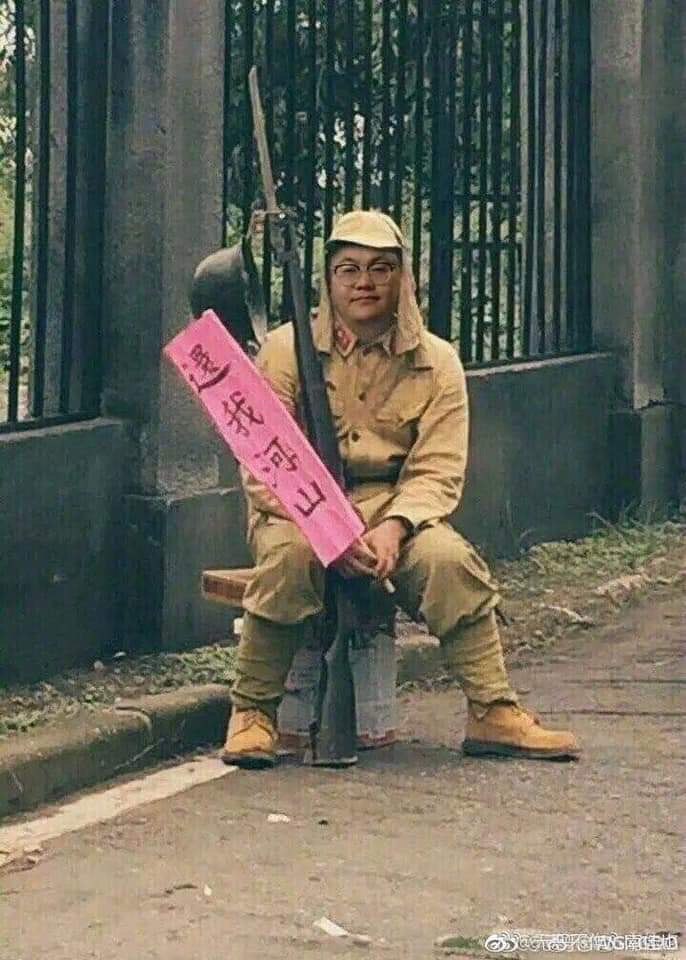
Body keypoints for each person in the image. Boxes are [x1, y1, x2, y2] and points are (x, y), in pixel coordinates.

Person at [223, 209, 580, 768]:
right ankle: (252, 713)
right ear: (328, 280)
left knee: (448, 561)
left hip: (396, 511)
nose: (364, 283)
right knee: (289, 558)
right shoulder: (284, 351)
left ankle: (492, 710)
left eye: (380, 269)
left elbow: (438, 469)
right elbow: (265, 462)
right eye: (348, 269)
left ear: (402, 278)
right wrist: (330, 529)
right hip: (298, 511)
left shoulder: (437, 362)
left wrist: (395, 525)